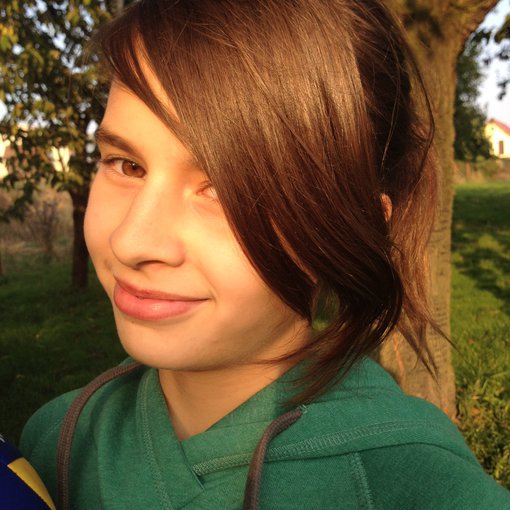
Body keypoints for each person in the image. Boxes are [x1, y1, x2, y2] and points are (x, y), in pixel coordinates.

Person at [20, 0, 510, 508]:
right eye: (127, 165)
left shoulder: (422, 488)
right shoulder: (54, 445)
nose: (131, 241)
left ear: (358, 224)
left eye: (225, 187)